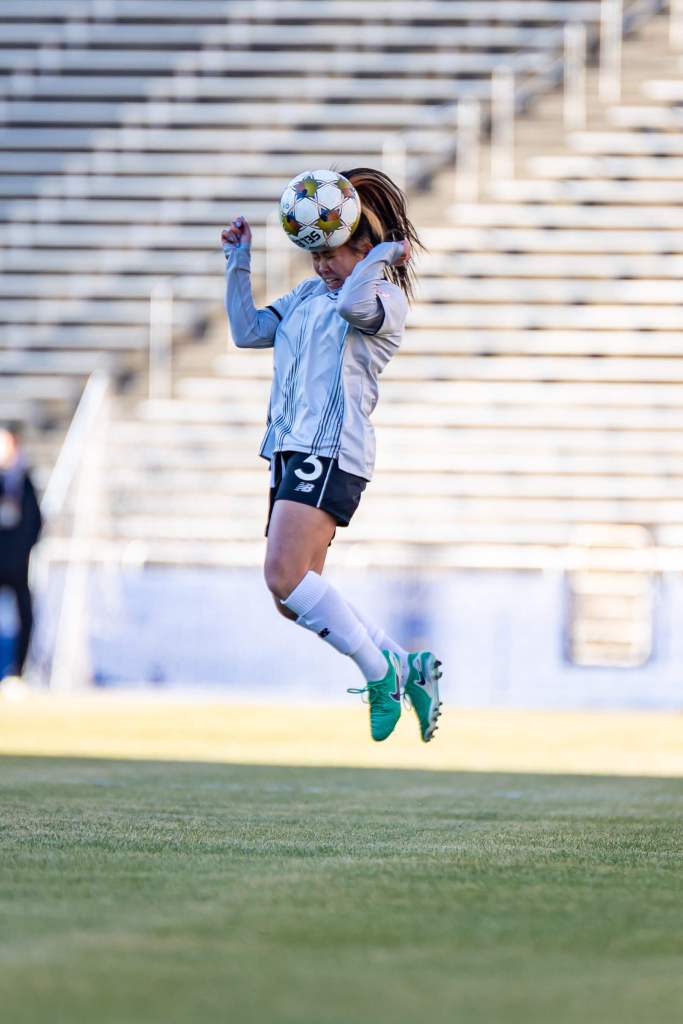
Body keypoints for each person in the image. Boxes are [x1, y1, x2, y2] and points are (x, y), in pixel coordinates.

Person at [221, 167, 442, 743]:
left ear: (365, 247)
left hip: (332, 449)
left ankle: (380, 674)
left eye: (333, 252)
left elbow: (352, 308)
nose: (321, 265)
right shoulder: (306, 294)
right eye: (315, 254)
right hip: (290, 450)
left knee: (283, 574)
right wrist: (238, 261)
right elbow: (247, 332)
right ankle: (404, 663)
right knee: (290, 600)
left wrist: (380, 261)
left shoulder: (383, 298)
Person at [0, 425, 42, 680]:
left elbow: (34, 521)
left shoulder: (24, 481)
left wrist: (19, 552)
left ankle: (18, 672)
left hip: (16, 565)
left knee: (25, 615)